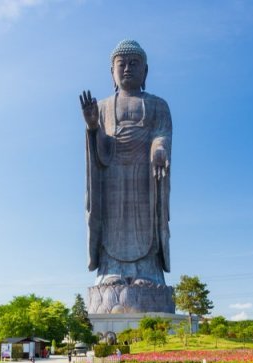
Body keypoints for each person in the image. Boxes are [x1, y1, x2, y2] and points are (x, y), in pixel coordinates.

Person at [80, 40, 173, 312]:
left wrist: (159, 149)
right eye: (122, 64)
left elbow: (162, 135)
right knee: (110, 220)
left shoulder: (158, 105)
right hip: (112, 176)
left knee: (148, 219)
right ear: (112, 71)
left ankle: (149, 273)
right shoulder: (105, 106)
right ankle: (111, 270)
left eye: (135, 64)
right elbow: (100, 152)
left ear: (145, 71)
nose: (128, 69)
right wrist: (92, 126)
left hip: (145, 176)